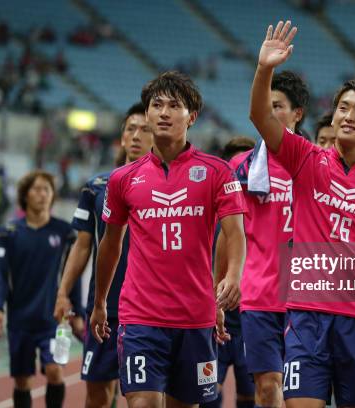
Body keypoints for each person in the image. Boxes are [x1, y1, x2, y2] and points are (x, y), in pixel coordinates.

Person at [249, 20, 355, 408]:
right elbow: (261, 118)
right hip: (307, 319)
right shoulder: (306, 159)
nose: (348, 116)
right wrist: (264, 69)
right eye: (342, 108)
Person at [90, 71, 247, 408]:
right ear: (147, 114)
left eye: (173, 106)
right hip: (141, 318)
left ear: (191, 117)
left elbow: (235, 233)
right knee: (143, 402)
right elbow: (110, 244)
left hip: (195, 318)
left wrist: (232, 277)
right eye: (156, 105)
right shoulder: (122, 179)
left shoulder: (217, 172)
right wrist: (101, 300)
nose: (163, 112)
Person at [53, 102, 153, 408]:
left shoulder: (166, 184)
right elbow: (82, 245)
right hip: (104, 306)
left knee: (144, 396)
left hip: (149, 307)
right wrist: (62, 292)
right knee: (97, 394)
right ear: (121, 138)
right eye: (130, 129)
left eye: (144, 129)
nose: (136, 135)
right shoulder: (96, 186)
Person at [222, 71, 310, 408]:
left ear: (297, 113)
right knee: (269, 387)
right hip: (259, 295)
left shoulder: (315, 163)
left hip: (305, 296)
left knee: (301, 393)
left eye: (279, 107)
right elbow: (228, 235)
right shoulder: (242, 168)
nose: (270, 114)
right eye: (267, 106)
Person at [0, 170, 84, 408]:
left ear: (53, 196)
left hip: (54, 320)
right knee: (22, 381)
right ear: (25, 195)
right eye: (36, 189)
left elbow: (72, 274)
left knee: (55, 371)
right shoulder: (8, 233)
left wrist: (78, 313)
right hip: (20, 320)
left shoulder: (65, 232)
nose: (42, 194)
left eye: (47, 189)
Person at [201, 136, 256, 408]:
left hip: (251, 324)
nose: (244, 170)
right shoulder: (208, 213)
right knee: (208, 394)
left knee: (251, 397)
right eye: (237, 165)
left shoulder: (264, 218)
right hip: (212, 319)